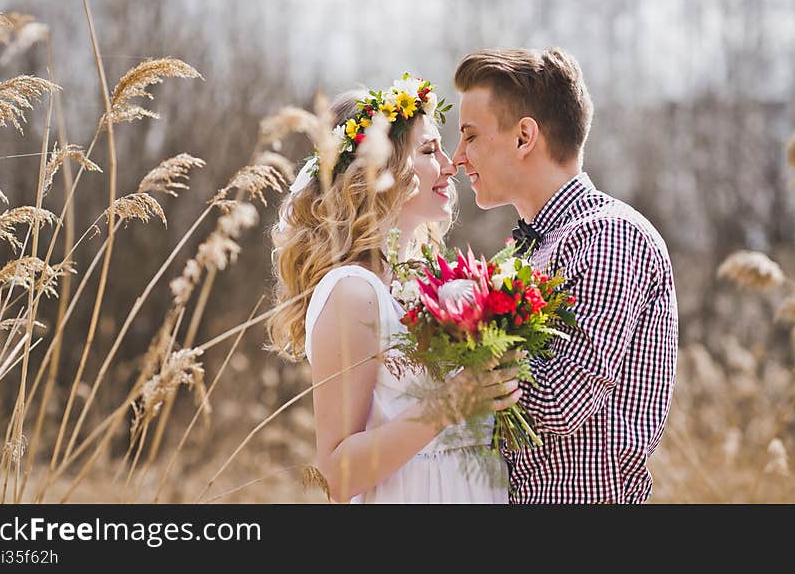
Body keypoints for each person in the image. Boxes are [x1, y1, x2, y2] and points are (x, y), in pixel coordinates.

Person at [269, 75, 520, 503]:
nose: (449, 164)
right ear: (379, 169)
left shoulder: (434, 283)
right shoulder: (353, 293)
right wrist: (450, 402)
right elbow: (337, 476)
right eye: (428, 150)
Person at [452, 48, 679, 503]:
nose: (458, 157)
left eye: (470, 136)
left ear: (524, 137)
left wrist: (462, 347)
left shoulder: (610, 236)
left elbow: (561, 402)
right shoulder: (524, 250)